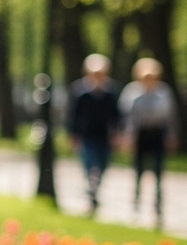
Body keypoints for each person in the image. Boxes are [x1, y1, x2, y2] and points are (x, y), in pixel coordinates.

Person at [119, 57, 180, 226]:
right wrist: (127, 137)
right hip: (140, 134)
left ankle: (158, 209)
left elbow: (170, 117)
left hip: (157, 133)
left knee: (159, 172)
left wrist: (172, 135)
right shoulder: (132, 92)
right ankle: (135, 207)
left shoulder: (163, 92)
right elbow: (127, 117)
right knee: (138, 172)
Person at [67, 53, 121, 215]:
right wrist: (73, 135)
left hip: (104, 135)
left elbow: (116, 115)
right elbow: (73, 115)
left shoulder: (110, 92)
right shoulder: (80, 92)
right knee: (90, 163)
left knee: (103, 164)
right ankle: (91, 191)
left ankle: (94, 190)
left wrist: (117, 134)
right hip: (86, 135)